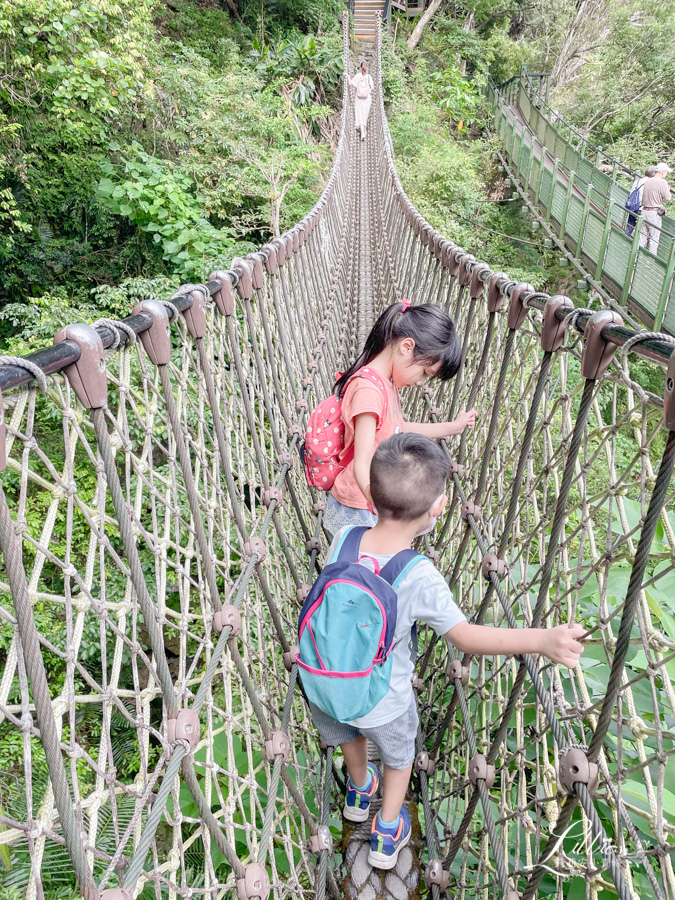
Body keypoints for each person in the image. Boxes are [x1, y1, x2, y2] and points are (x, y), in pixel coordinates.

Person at [308, 433, 586, 869]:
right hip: (384, 700)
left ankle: (358, 790)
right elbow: (465, 636)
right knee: (399, 762)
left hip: (324, 683)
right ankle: (385, 833)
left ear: (372, 492)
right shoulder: (419, 575)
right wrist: (541, 639)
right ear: (437, 508)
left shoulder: (343, 537)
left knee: (348, 732)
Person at [322, 301, 478, 537]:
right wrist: (382, 509)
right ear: (406, 346)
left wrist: (452, 428)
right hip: (360, 505)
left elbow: (399, 428)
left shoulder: (386, 383)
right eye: (425, 373)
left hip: (372, 498)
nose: (420, 383)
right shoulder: (369, 392)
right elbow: (361, 464)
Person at [640, 162, 672, 255]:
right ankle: (650, 261)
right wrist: (668, 190)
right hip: (654, 213)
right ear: (663, 172)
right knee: (654, 239)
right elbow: (667, 198)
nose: (666, 174)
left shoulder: (648, 180)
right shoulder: (663, 182)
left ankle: (636, 258)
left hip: (644, 211)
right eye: (666, 172)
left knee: (642, 237)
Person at [625, 165, 656, 237]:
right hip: (641, 208)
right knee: (642, 229)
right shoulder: (649, 184)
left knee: (630, 225)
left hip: (632, 206)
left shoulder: (637, 181)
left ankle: (626, 238)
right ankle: (636, 244)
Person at [350, 61, 374, 142]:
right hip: (367, 99)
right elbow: (372, 87)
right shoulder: (368, 77)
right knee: (365, 115)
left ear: (360, 68)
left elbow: (350, 83)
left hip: (359, 98)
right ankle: (364, 131)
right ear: (366, 68)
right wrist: (368, 92)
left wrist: (347, 75)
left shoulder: (358, 76)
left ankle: (363, 133)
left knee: (360, 115)